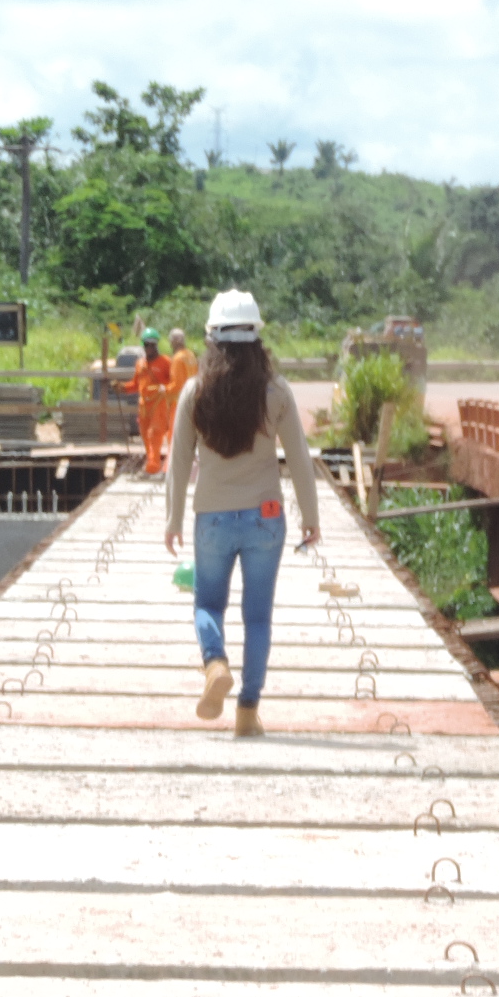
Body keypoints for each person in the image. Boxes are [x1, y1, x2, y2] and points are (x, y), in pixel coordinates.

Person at [163, 289, 320, 736]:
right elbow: (300, 458)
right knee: (258, 617)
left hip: (211, 518)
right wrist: (310, 517)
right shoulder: (276, 391)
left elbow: (178, 461)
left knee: (208, 603)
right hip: (265, 519)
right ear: (257, 340)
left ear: (211, 339)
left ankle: (215, 664)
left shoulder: (194, 392)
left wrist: (173, 518)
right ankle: (247, 712)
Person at [132, 327, 177, 474]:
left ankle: (153, 464)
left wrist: (166, 389)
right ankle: (151, 461)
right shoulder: (140, 364)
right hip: (144, 405)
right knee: (145, 434)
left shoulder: (166, 362)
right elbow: (135, 384)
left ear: (156, 345)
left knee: (154, 433)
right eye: (146, 345)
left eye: (152, 345)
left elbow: (174, 382)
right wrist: (122, 388)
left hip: (159, 403)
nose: (149, 348)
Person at [166, 326, 198, 403]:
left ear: (174, 342)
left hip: (180, 400)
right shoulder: (191, 355)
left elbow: (177, 385)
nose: (170, 343)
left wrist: (164, 389)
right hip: (193, 396)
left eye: (170, 340)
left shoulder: (178, 358)